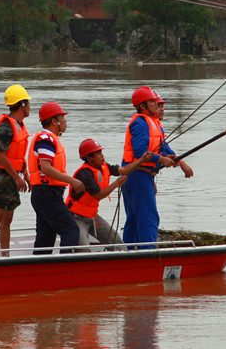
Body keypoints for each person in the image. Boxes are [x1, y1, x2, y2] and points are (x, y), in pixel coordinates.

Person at [121, 86, 193, 247]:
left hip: (141, 176)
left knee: (134, 219)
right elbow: (140, 152)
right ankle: (149, 254)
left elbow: (165, 148)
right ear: (142, 105)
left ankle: (130, 253)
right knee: (148, 218)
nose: (156, 104)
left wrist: (180, 162)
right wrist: (161, 159)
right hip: (137, 176)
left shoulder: (153, 123)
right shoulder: (140, 123)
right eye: (152, 101)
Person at [65, 138, 153, 250]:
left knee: (117, 243)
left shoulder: (104, 166)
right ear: (89, 158)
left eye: (101, 152)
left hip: (92, 217)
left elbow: (124, 170)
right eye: (98, 154)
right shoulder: (85, 174)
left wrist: (142, 159)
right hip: (76, 218)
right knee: (83, 249)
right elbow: (99, 195)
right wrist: (117, 183)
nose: (102, 156)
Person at [28, 101, 84, 254]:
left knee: (45, 239)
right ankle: (65, 270)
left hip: (45, 194)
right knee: (71, 229)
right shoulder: (46, 139)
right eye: (63, 118)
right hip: (47, 194)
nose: (65, 121)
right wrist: (72, 180)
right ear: (54, 121)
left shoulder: (48, 138)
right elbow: (46, 168)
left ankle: (39, 272)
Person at [0, 84, 32, 257]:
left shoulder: (19, 124)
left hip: (12, 177)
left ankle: (5, 255)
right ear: (22, 105)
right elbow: (2, 156)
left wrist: (25, 176)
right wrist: (17, 178)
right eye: (27, 103)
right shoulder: (6, 126)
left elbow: (19, 157)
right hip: (0, 177)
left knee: (7, 220)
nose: (29, 107)